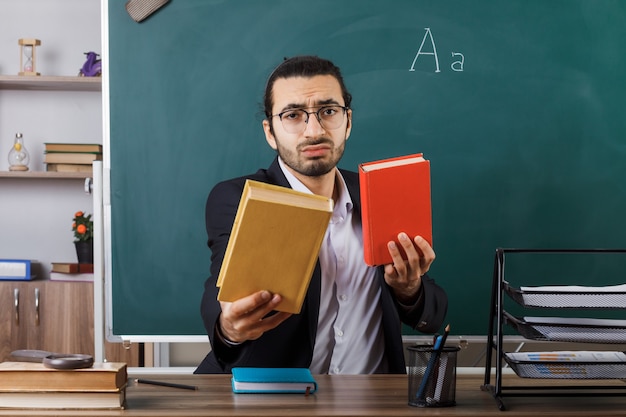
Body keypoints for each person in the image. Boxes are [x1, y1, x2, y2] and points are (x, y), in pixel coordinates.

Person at [195, 55, 447, 374]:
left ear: (348, 121)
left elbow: (433, 318)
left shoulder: (380, 193)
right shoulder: (240, 198)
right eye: (293, 115)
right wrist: (228, 331)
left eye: (328, 112)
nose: (314, 130)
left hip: (376, 401)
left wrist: (409, 289)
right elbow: (221, 293)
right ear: (270, 132)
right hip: (273, 403)